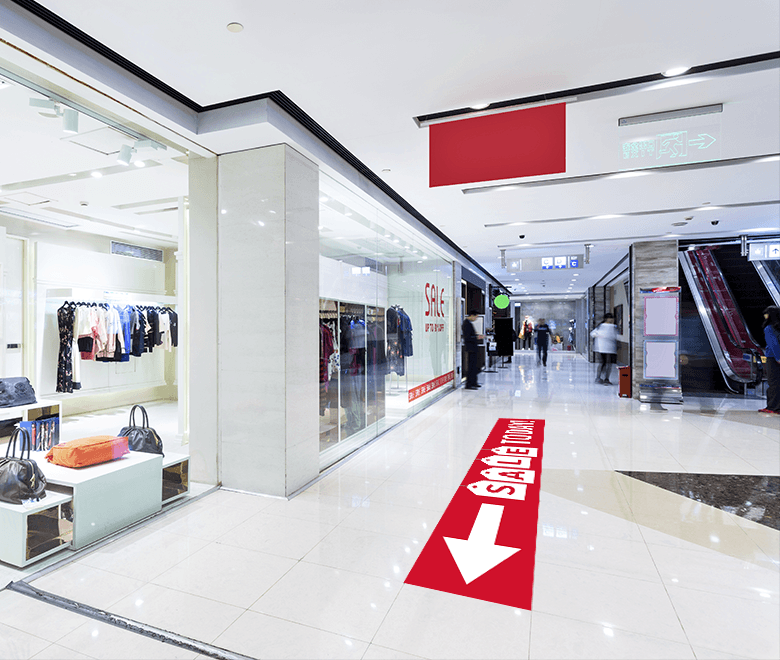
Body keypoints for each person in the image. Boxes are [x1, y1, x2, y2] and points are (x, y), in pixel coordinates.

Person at [760, 305, 780, 414]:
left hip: (773, 358)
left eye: (766, 314)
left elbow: (773, 344)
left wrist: (778, 358)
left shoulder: (769, 328)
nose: (765, 316)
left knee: (773, 383)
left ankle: (772, 407)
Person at [591, 313, 618, 384]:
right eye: (611, 318)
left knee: (606, 364)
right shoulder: (604, 326)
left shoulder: (610, 326)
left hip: (607, 348)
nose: (612, 319)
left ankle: (604, 378)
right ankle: (601, 378)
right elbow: (593, 334)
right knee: (605, 363)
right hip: (604, 348)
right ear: (607, 319)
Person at [462, 310, 484, 389]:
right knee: (471, 366)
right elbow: (467, 337)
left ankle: (474, 382)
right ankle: (469, 384)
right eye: (476, 317)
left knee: (474, 366)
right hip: (470, 348)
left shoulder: (469, 323)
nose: (476, 319)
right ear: (472, 315)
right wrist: (477, 337)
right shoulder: (466, 324)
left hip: (473, 348)